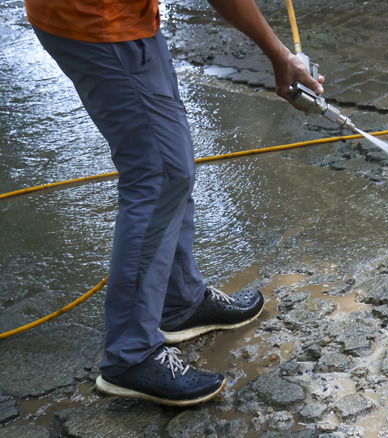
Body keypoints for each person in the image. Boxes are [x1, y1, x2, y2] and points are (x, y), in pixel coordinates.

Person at [24, 0, 324, 406]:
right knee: (159, 174)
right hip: (97, 22)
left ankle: (179, 300)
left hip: (124, 19)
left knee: (173, 165)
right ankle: (131, 354)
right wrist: (279, 55)